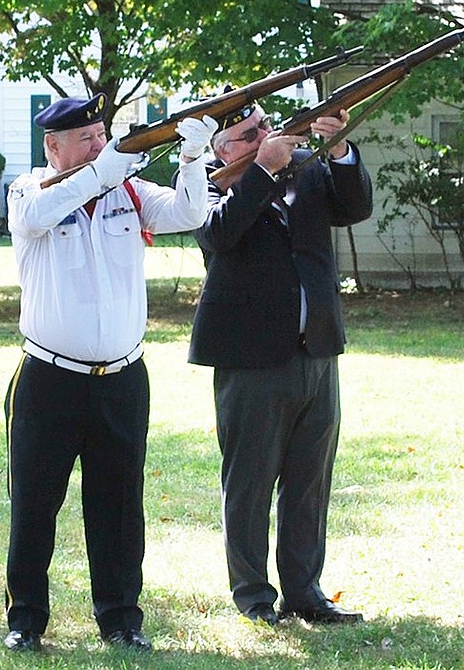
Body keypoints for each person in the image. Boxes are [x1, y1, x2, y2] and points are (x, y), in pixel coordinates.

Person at [3, 93, 218, 652]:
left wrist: (193, 160)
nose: (101, 145)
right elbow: (38, 215)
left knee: (119, 505)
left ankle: (121, 618)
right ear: (53, 147)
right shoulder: (30, 190)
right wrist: (104, 169)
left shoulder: (127, 189)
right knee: (34, 504)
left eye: (103, 134)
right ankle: (25, 620)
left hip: (122, 378)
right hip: (49, 379)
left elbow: (189, 214)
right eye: (86, 138)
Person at [187, 102, 372, 625]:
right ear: (223, 149)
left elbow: (355, 207)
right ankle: (252, 597)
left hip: (316, 347)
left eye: (266, 126)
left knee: (310, 479)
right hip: (250, 357)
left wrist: (338, 149)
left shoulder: (308, 168)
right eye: (250, 134)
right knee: (249, 483)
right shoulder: (203, 183)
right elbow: (218, 235)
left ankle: (305, 592)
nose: (267, 136)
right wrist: (263, 170)